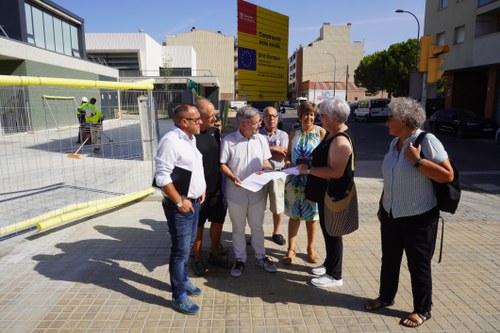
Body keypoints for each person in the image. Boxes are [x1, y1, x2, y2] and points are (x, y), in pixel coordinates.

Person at [364, 97, 454, 328]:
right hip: (391, 213)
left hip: (419, 216)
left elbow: (447, 175)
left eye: (390, 119)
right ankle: (385, 297)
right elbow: (390, 176)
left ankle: (422, 309)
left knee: (418, 264)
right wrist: (382, 204)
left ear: (403, 121)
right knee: (390, 259)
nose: (386, 123)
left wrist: (417, 161)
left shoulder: (427, 140)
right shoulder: (394, 143)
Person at [154, 104, 206, 315]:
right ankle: (178, 296)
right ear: (184, 122)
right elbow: (162, 177)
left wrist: (200, 189)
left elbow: (193, 168)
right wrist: (178, 201)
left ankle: (183, 280)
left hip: (193, 202)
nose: (201, 122)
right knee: (180, 250)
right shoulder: (170, 141)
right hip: (180, 206)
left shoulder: (191, 138)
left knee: (188, 245)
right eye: (197, 119)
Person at [297, 97, 354, 288]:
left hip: (333, 195)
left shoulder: (340, 141)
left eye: (323, 115)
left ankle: (335, 275)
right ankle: (330, 264)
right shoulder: (331, 133)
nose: (320, 117)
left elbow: (335, 172)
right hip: (325, 194)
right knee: (327, 229)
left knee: (333, 232)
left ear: (335, 117)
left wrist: (309, 170)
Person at [220, 106, 276, 278]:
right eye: (256, 123)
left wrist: (269, 169)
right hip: (236, 194)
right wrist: (232, 176)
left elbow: (266, 161)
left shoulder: (261, 140)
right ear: (243, 125)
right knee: (238, 228)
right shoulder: (228, 141)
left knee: (257, 227)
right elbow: (222, 164)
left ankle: (260, 257)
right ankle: (240, 259)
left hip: (256, 193)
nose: (259, 125)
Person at [283, 101, 326, 265]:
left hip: (312, 179)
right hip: (294, 180)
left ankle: (310, 248)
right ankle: (291, 249)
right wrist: (287, 163)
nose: (309, 117)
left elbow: (325, 156)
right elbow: (287, 155)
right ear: (300, 116)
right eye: (306, 114)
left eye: (312, 115)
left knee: (311, 217)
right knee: (294, 215)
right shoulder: (294, 133)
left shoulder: (320, 132)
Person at [190, 98, 229, 276]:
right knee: (198, 226)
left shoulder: (215, 132)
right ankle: (197, 257)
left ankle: (214, 252)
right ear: (200, 117)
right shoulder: (190, 136)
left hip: (216, 189)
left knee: (217, 222)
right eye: (212, 116)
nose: (215, 118)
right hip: (198, 192)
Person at [259, 106, 289, 246]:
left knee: (278, 206)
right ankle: (257, 232)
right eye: (268, 116)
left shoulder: (283, 135)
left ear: (278, 118)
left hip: (278, 173)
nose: (271, 118)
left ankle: (276, 233)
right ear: (263, 118)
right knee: (258, 206)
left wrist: (264, 149)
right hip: (260, 174)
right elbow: (255, 152)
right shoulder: (257, 134)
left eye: (274, 116)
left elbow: (283, 154)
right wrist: (273, 149)